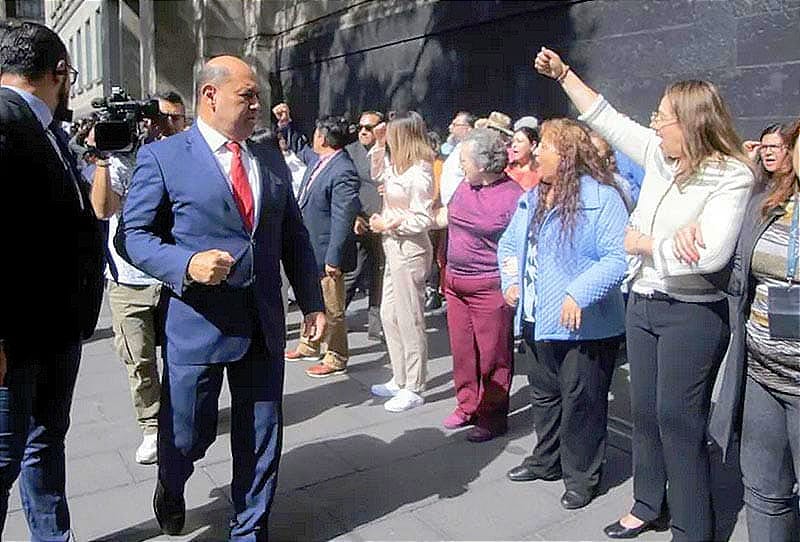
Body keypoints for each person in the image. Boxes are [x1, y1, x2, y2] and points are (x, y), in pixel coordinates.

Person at [533, 47, 754, 540]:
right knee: (646, 413)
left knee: (679, 419)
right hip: (644, 302)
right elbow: (606, 118)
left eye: (662, 116)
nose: (654, 123)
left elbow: (711, 255)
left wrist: (645, 244)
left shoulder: (731, 174)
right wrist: (564, 75)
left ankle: (693, 526)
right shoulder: (659, 156)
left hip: (692, 312)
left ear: (691, 123)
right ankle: (648, 503)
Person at [118, 55, 325, 540]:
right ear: (210, 95)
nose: (258, 105)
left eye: (258, 96)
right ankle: (171, 483)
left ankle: (249, 528)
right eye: (247, 95)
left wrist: (312, 300)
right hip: (198, 324)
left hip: (263, 323)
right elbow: (133, 235)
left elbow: (292, 234)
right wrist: (185, 264)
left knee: (261, 435)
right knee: (187, 434)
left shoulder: (268, 156)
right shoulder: (165, 157)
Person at [0, 21, 104, 539]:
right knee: (3, 460)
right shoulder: (5, 119)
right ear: (60, 72)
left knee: (44, 443)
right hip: (15, 341)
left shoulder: (45, 128)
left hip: (55, 329)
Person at [498, 118, 628, 510]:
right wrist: (511, 280)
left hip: (585, 327)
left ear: (568, 154)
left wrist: (579, 292)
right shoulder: (532, 197)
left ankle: (582, 476)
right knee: (544, 395)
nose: (536, 151)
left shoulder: (602, 198)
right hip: (537, 318)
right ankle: (547, 460)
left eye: (546, 146)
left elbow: (617, 258)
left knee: (582, 402)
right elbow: (509, 245)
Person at [704, 121, 799, 541]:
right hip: (762, 373)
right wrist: (700, 247)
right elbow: (738, 275)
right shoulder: (768, 204)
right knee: (763, 491)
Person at [88, 91, 187, 465]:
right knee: (139, 359)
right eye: (159, 119)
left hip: (175, 273)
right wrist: (102, 157)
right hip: (128, 279)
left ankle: (183, 414)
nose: (164, 126)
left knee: (183, 357)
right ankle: (151, 426)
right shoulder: (122, 159)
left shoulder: (188, 157)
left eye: (174, 118)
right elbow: (102, 209)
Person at [443, 128, 522, 441]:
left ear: (484, 164)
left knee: (493, 355)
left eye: (465, 160)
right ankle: (467, 404)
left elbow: (519, 246)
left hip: (488, 285)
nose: (460, 165)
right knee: (463, 351)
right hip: (455, 282)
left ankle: (492, 416)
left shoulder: (513, 196)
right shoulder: (465, 186)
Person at [278, 105, 362, 378]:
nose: (313, 137)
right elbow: (299, 148)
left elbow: (343, 218)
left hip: (327, 252)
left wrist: (333, 258)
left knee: (332, 307)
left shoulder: (343, 170)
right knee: (311, 300)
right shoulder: (320, 160)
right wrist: (285, 125)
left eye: (316, 133)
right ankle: (310, 342)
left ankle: (336, 354)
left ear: (323, 138)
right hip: (310, 247)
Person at [367, 111, 435, 412]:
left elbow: (423, 218)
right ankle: (400, 376)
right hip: (393, 246)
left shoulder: (420, 171)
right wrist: (379, 144)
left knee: (410, 318)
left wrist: (390, 223)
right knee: (389, 314)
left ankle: (415, 385)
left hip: (410, 248)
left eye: (392, 134)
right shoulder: (396, 164)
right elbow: (376, 173)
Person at [343, 109, 385, 340]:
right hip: (361, 222)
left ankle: (376, 324)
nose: (363, 132)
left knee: (380, 273)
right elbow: (345, 190)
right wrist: (354, 217)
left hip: (385, 222)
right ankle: (334, 319)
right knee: (354, 271)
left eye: (369, 128)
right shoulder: (350, 153)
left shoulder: (390, 152)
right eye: (360, 127)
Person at [439, 111, 476, 206]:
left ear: (468, 128)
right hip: (449, 205)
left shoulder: (471, 151)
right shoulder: (456, 147)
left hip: (461, 205)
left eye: (455, 125)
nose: (450, 127)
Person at [506, 125, 542, 190]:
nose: (514, 145)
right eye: (513, 141)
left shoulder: (540, 173)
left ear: (533, 145)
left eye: (519, 141)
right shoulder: (507, 169)